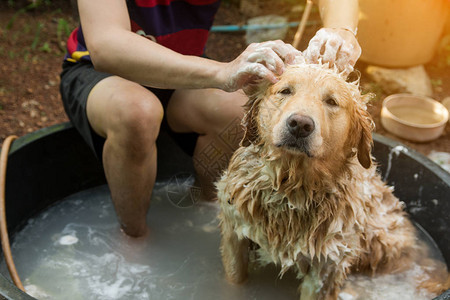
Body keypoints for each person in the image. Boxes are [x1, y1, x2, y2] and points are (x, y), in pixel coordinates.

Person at [60, 0, 361, 237]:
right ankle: (134, 237)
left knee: (235, 110)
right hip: (100, 72)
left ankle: (207, 208)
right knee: (137, 112)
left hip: (182, 72)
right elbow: (106, 45)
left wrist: (342, 31)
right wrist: (222, 72)